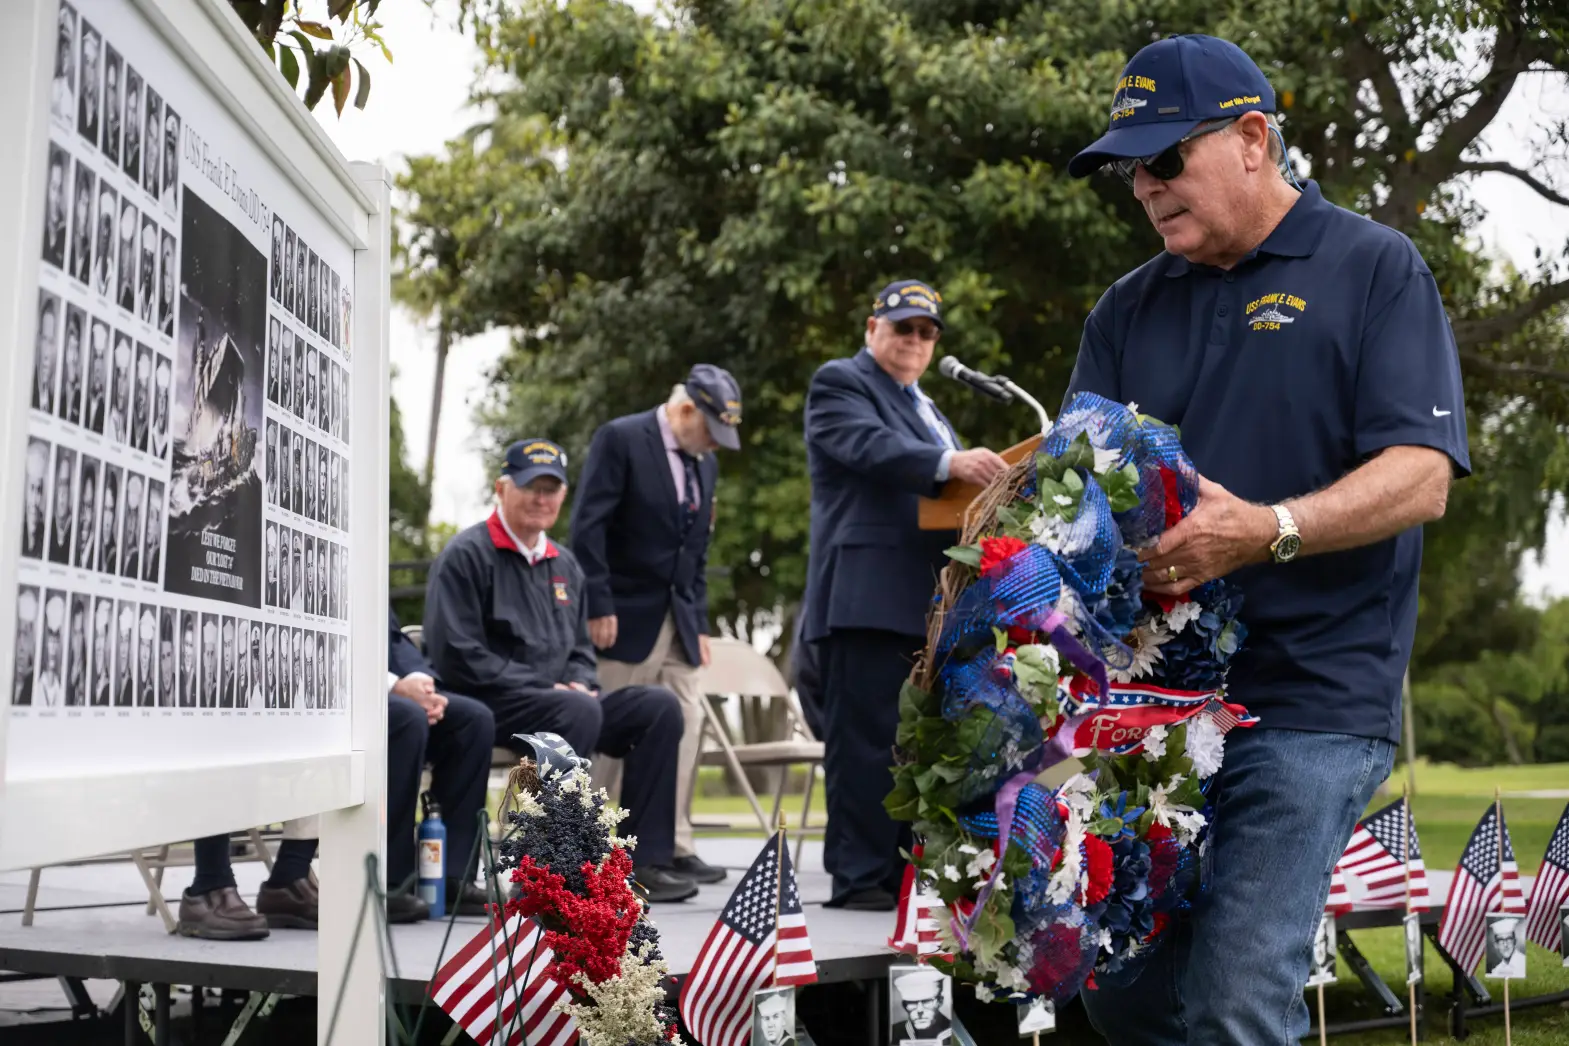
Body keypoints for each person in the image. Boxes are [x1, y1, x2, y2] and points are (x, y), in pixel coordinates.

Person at [1059, 34, 1468, 1046]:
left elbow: (1421, 475)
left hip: (1310, 697)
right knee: (1120, 990)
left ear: (1252, 139)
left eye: (1164, 159)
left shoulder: (1375, 267)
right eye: (1128, 169)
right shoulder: (1125, 306)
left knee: (1239, 993)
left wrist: (1267, 531)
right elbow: (1075, 496)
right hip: (1150, 706)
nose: (1144, 188)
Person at [802, 279, 1007, 910]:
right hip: (865, 595)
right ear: (872, 330)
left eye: (926, 332)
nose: (914, 342)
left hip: (925, 601)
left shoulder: (927, 407)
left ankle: (899, 876)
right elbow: (869, 448)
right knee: (864, 740)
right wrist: (950, 464)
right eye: (902, 329)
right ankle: (860, 878)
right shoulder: (841, 382)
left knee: (909, 744)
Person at [423, 438, 696, 903]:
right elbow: (457, 654)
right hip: (491, 701)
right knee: (575, 709)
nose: (542, 499)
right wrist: (548, 687)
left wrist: (583, 681)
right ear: (501, 488)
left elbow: (580, 650)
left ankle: (646, 861)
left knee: (658, 707)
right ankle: (560, 869)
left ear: (564, 496)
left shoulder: (565, 564)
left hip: (564, 703)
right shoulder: (466, 555)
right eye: (531, 487)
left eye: (552, 489)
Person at [570, 364, 744, 886]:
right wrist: (597, 601)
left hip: (681, 621)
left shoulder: (702, 462)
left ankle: (668, 845)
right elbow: (589, 526)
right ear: (686, 409)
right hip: (622, 614)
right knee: (610, 731)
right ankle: (588, 844)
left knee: (685, 727)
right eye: (711, 431)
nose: (714, 445)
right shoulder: (622, 438)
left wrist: (702, 620)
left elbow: (697, 548)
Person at [890, 968, 952, 1046]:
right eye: (912, 1003)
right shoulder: (894, 1032)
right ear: (904, 1006)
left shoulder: (954, 1032)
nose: (919, 1010)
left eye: (927, 1001)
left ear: (940, 1002)